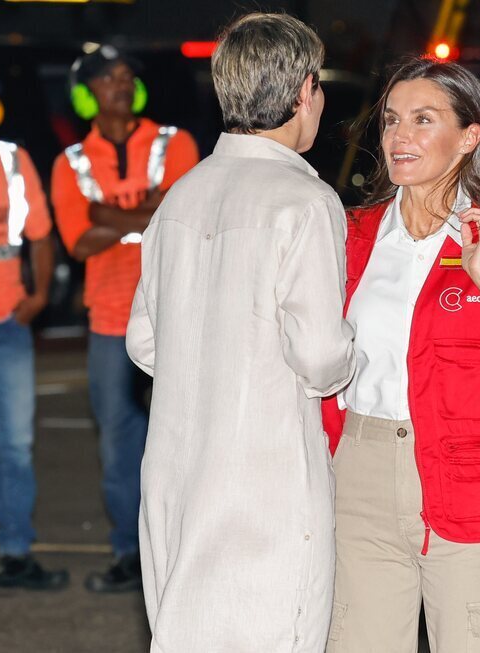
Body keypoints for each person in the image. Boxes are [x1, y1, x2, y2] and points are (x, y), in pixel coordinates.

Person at [322, 57, 480, 652]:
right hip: (356, 473)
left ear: (469, 138)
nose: (399, 136)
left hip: (463, 477)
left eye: (422, 119)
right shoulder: (349, 234)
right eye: (390, 120)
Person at [126, 12, 355, 652]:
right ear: (304, 91)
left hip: (176, 467)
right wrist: (353, 348)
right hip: (268, 476)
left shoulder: (182, 195)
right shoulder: (305, 202)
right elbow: (318, 355)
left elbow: (144, 341)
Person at [50, 45, 199, 593]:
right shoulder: (71, 162)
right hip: (111, 322)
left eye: (124, 76)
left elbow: (181, 210)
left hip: (176, 315)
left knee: (183, 438)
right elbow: (79, 241)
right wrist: (149, 207)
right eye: (106, 78)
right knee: (117, 446)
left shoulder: (173, 142)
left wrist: (109, 213)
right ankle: (129, 555)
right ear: (86, 94)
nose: (119, 84)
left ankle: (182, 550)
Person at [0, 70, 68, 589]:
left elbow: (42, 237)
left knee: (15, 446)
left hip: (8, 323)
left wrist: (39, 297)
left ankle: (15, 555)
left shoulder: (13, 160)